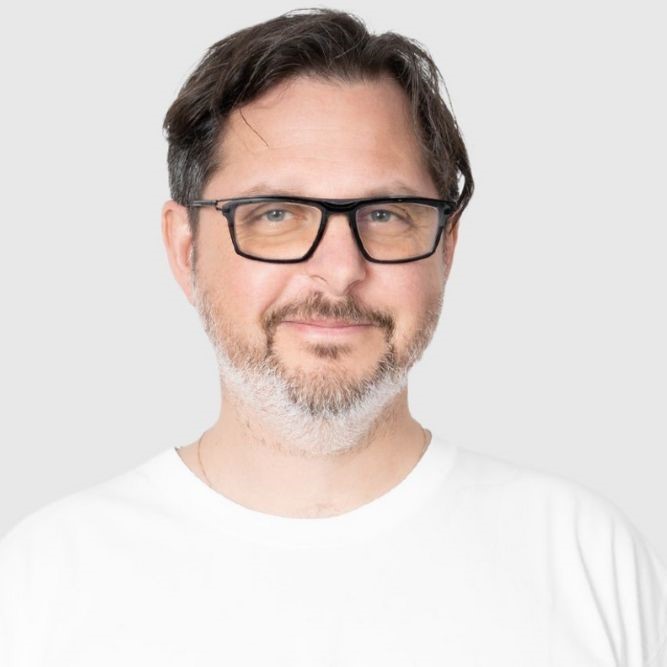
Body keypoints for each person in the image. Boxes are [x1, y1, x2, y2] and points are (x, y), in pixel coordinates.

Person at [1, 8, 665, 666]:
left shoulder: (584, 558)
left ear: (447, 247)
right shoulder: (43, 580)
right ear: (186, 249)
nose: (340, 269)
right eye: (276, 214)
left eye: (385, 214)